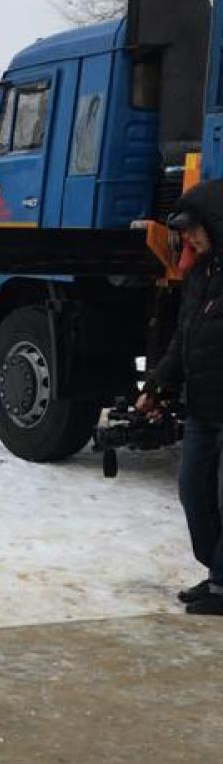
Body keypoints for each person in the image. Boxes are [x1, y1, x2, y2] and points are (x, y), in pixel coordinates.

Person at [140, 180, 223, 615]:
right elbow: (183, 336)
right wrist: (158, 383)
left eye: (194, 230)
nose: (189, 238)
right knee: (194, 490)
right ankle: (217, 574)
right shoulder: (201, 274)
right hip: (204, 405)